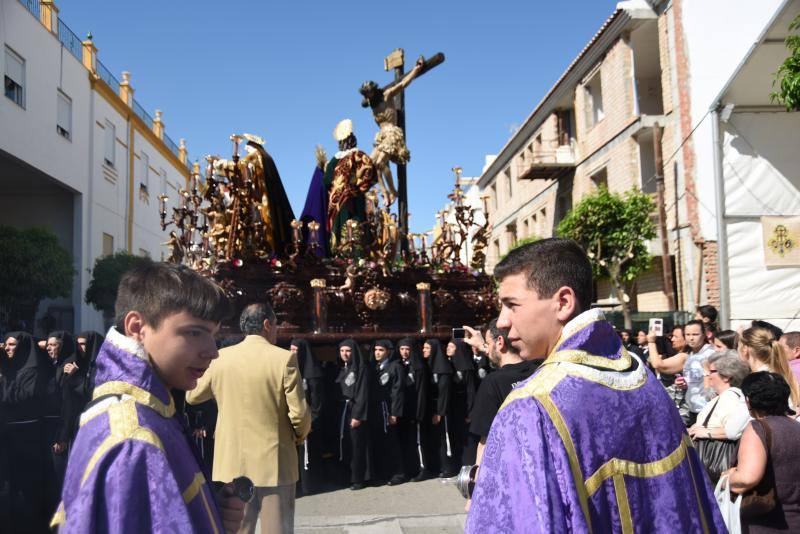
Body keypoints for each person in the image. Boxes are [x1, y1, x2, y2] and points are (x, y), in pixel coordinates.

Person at [466, 238, 725, 533]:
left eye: (512, 305)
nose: (502, 321)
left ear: (563, 302)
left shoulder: (531, 406)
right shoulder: (644, 381)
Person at [53, 261, 244, 533]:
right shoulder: (132, 437)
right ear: (137, 327)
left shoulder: (151, 406)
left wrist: (210, 514)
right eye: (194, 332)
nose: (212, 351)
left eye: (213, 335)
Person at [187, 303, 310, 534]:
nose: (276, 330)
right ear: (267, 324)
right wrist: (299, 436)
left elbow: (193, 396)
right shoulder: (284, 359)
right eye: (276, 325)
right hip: (275, 460)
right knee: (277, 529)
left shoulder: (221, 358)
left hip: (232, 460)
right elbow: (299, 413)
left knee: (237, 528)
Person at [464, 320, 540, 485]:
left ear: (500, 342)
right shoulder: (540, 369)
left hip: (513, 476)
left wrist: (475, 489)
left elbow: (485, 442)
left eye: (488, 342)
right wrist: (485, 345)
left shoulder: (492, 383)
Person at [724, 372, 800, 533]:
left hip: (765, 524)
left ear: (749, 400)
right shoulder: (796, 427)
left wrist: (728, 478)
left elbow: (747, 478)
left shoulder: (758, 428)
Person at [1, 331, 49, 533]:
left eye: (13, 345)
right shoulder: (7, 368)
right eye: (6, 345)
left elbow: (24, 396)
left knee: (26, 488)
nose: (8, 348)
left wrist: (3, 383)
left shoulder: (32, 370)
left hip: (27, 435)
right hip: (7, 435)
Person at [686, 351, 751, 483]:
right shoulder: (724, 397)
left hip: (714, 461)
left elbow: (733, 430)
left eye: (711, 371)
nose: (708, 376)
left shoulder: (730, 397)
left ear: (726, 376)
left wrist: (705, 432)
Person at [649, 320, 716, 426]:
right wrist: (684, 383)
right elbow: (695, 380)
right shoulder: (691, 355)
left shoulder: (711, 354)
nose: (691, 338)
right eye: (688, 335)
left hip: (708, 410)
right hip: (693, 409)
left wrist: (651, 342)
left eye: (695, 334)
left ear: (704, 335)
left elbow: (658, 365)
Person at [336, 339, 375, 490]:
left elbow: (362, 393)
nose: (344, 354)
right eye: (342, 351)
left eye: (348, 351)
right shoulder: (343, 368)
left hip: (355, 411)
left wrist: (357, 416)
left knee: (358, 446)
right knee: (348, 445)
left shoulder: (361, 368)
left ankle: (359, 478)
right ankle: (349, 476)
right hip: (344, 411)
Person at [291, 338, 325, 496]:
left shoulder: (313, 375)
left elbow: (317, 401)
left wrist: (311, 422)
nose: (292, 353)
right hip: (294, 419)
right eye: (291, 350)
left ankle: (309, 486)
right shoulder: (292, 370)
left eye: (295, 350)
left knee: (308, 454)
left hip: (309, 421)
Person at [370, 339, 406, 485]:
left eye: (381, 350)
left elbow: (398, 391)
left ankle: (398, 473)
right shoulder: (376, 367)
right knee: (381, 442)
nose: (377, 353)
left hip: (389, 410)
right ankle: (384, 472)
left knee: (392, 442)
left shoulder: (395, 367)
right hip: (378, 410)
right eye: (376, 350)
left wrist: (394, 413)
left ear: (388, 352)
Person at [739, 324, 800, 409]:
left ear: (745, 349)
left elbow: (743, 415)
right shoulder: (777, 373)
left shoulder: (760, 381)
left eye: (738, 345)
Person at [396, 338, 428, 481]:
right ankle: (409, 469)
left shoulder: (418, 367)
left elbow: (421, 391)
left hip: (416, 409)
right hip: (403, 410)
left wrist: (419, 412)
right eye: (402, 349)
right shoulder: (398, 365)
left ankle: (422, 469)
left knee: (418, 441)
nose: (404, 352)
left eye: (407, 349)